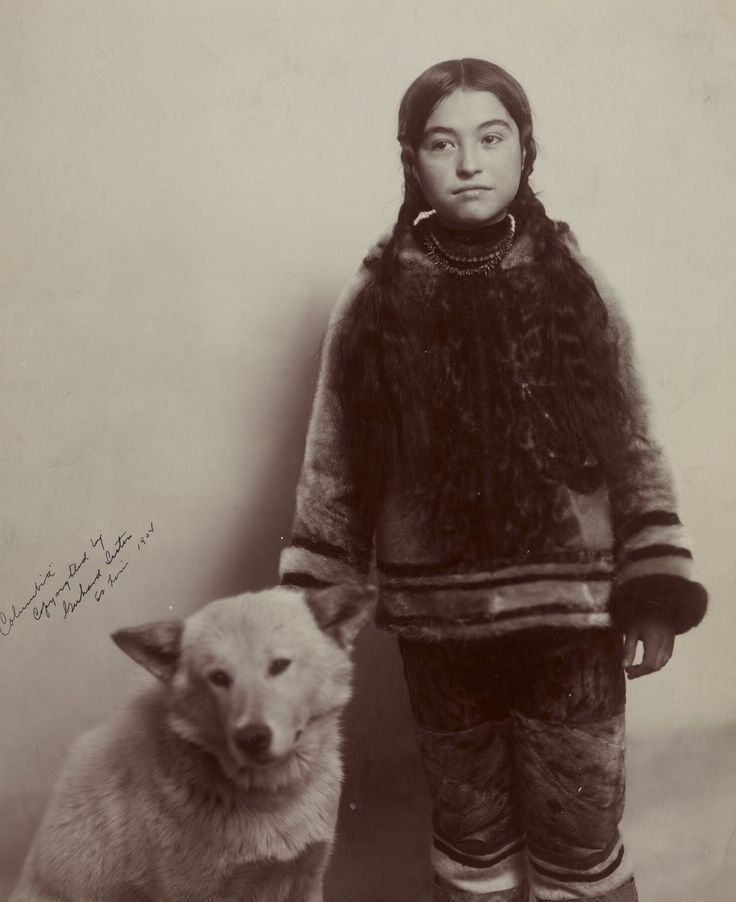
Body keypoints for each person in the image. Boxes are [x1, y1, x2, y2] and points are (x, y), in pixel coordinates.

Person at [279, 58, 707, 902]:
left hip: (573, 624)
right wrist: (310, 617)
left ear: (525, 150)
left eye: (491, 137)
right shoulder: (374, 296)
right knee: (472, 848)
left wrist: (653, 592)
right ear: (412, 159)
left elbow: (633, 441)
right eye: (444, 142)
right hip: (443, 634)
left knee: (580, 845)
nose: (469, 163)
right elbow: (337, 464)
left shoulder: (573, 280)